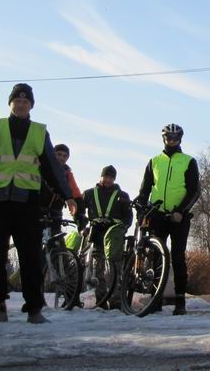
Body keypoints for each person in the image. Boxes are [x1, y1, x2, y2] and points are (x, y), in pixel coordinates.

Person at [0, 83, 74, 323]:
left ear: (31, 105)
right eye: (17, 100)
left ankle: (34, 309)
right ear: (10, 103)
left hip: (27, 203)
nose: (21, 103)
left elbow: (51, 167)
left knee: (31, 257)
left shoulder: (38, 132)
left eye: (26, 100)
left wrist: (67, 195)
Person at [136, 123, 200, 315]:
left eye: (175, 138)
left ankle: (180, 302)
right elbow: (144, 190)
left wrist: (181, 210)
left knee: (178, 257)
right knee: (156, 257)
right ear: (163, 139)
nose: (172, 141)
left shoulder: (188, 161)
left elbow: (194, 191)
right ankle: (155, 299)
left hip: (179, 216)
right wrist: (141, 209)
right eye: (169, 138)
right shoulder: (154, 161)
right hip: (157, 214)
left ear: (180, 139)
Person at [83, 165, 131, 309]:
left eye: (111, 177)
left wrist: (122, 229)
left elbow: (128, 216)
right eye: (106, 177)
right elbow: (79, 209)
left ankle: (116, 301)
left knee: (115, 268)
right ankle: (101, 300)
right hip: (97, 235)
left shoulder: (123, 196)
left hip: (114, 237)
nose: (108, 180)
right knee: (98, 268)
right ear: (101, 177)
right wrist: (82, 226)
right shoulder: (89, 194)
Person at [41, 143, 86, 234]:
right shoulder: (41, 167)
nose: (62, 158)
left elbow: (75, 194)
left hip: (55, 215)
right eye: (59, 154)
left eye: (65, 156)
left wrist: (80, 215)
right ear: (53, 154)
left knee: (58, 246)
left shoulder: (67, 174)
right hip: (37, 211)